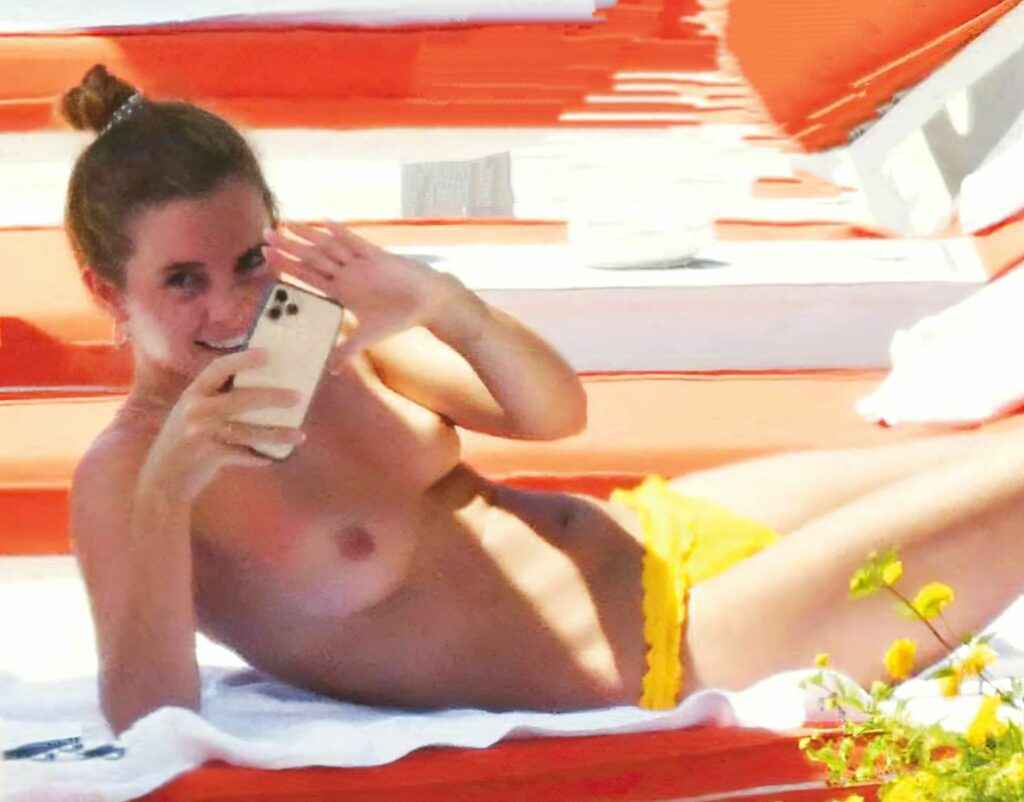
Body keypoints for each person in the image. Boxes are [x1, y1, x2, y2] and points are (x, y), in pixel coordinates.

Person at [64, 64, 1024, 735]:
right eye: (182, 281)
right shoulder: (130, 474)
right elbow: (149, 716)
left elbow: (554, 414)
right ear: (108, 291)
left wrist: (445, 304)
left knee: (988, 452)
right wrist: (169, 487)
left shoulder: (317, 338)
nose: (233, 305)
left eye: (250, 260)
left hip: (660, 533)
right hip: (674, 651)